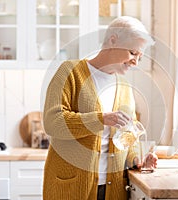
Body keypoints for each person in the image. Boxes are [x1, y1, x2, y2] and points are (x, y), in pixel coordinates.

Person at [42, 16, 157, 200]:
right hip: (71, 187)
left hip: (113, 188)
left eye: (140, 57)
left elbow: (130, 135)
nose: (135, 61)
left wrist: (137, 159)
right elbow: (52, 122)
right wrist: (100, 119)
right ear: (113, 40)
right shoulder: (69, 72)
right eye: (133, 52)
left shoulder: (125, 87)